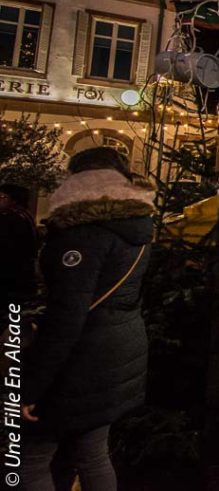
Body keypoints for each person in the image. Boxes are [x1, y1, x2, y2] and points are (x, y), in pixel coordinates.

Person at [20, 147, 155, 491]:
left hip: (80, 359)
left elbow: (67, 316)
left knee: (30, 457)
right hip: (118, 349)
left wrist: (32, 385)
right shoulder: (136, 228)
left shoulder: (83, 234)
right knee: (92, 452)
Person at [0, 183, 39, 309]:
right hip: (22, 276)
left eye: (3, 197)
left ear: (14, 200)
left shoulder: (11, 218)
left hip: (11, 277)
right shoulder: (26, 215)